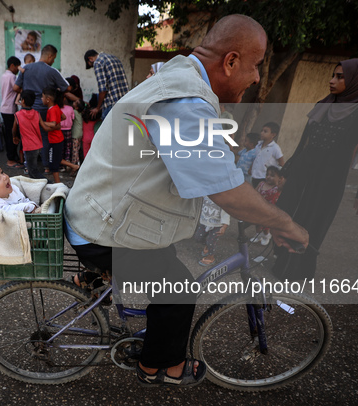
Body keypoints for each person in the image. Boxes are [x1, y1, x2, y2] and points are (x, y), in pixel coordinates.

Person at [65, 14, 308, 387]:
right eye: (255, 66)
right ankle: (158, 368)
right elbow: (226, 192)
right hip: (103, 227)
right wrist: (287, 224)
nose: (258, 77)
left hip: (102, 210)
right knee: (180, 287)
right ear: (230, 62)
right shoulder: (185, 100)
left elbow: (211, 162)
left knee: (167, 268)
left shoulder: (180, 76)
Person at [273, 58, 358, 281]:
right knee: (288, 214)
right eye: (333, 75)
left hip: (329, 178)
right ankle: (281, 264)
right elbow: (305, 142)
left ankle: (298, 271)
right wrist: (288, 172)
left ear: (357, 80)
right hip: (303, 171)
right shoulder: (324, 103)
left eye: (340, 77)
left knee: (313, 220)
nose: (332, 81)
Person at [13, 45, 70, 171]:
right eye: (53, 58)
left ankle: (28, 167)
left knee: (28, 137)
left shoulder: (26, 68)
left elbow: (16, 88)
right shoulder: (52, 71)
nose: (53, 61)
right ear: (49, 56)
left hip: (27, 109)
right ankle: (46, 166)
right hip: (44, 110)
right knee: (45, 137)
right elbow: (67, 88)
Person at [39, 87, 79, 183]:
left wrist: (41, 121)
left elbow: (52, 124)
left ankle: (58, 184)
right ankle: (75, 166)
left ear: (48, 99)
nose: (41, 99)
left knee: (53, 164)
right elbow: (63, 117)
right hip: (58, 138)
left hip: (55, 139)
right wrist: (57, 124)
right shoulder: (56, 107)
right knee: (57, 159)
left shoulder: (51, 110)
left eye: (42, 97)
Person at [84, 49, 129, 120]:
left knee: (109, 129)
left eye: (91, 65)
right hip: (124, 101)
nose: (93, 67)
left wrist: (97, 108)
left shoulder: (98, 63)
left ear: (90, 59)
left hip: (112, 104)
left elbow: (103, 89)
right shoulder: (114, 58)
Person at [13, 90, 44, 179]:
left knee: (32, 171)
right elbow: (44, 127)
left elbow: (14, 129)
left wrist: (15, 137)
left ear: (22, 101)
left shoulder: (18, 115)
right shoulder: (36, 113)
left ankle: (47, 182)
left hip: (28, 146)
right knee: (32, 170)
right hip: (38, 144)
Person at [251, 166, 283, 246]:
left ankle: (266, 235)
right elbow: (254, 192)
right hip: (259, 208)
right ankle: (258, 235)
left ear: (279, 178)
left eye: (272, 176)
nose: (268, 177)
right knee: (257, 223)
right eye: (267, 175)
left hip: (269, 210)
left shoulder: (277, 188)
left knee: (266, 225)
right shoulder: (261, 184)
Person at [194, 197, 230, 266]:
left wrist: (224, 226)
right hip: (204, 221)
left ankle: (211, 257)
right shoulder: (205, 193)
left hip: (217, 225)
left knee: (211, 242)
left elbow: (226, 212)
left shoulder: (222, 197)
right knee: (198, 237)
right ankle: (207, 245)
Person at [1, 56, 22, 168]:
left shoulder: (4, 75)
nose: (18, 70)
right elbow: (16, 88)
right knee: (12, 134)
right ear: (12, 65)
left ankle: (12, 157)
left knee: (9, 134)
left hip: (4, 108)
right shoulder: (12, 76)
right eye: (17, 67)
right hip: (10, 109)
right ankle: (11, 159)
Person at [250, 121, 285, 188]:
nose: (262, 133)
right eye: (262, 131)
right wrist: (251, 168)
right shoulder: (258, 145)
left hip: (265, 177)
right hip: (254, 175)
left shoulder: (275, 148)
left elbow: (281, 163)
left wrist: (278, 177)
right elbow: (256, 158)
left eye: (265, 131)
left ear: (273, 134)